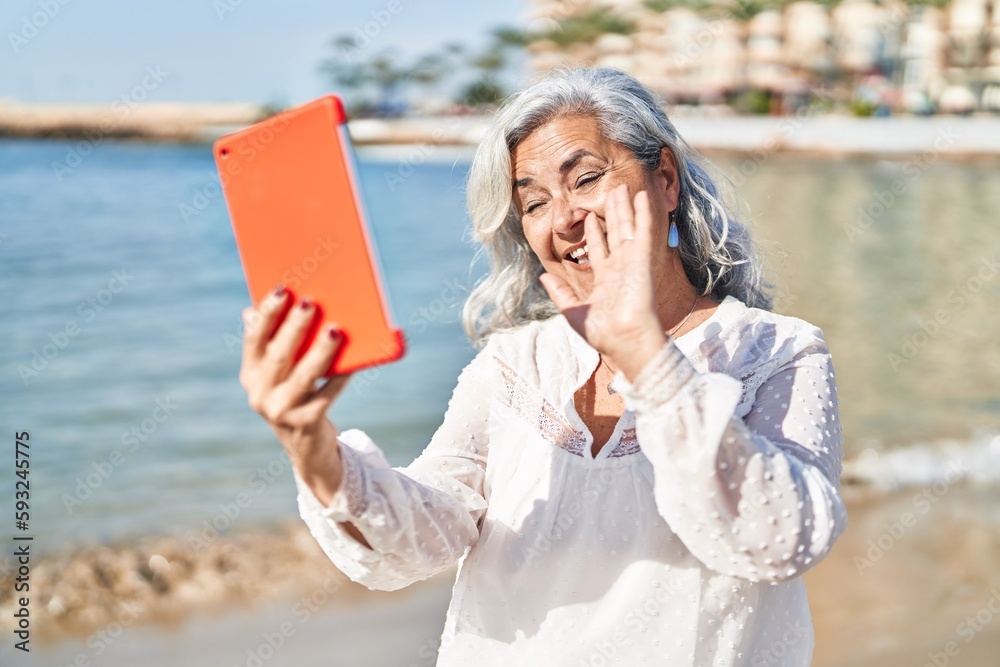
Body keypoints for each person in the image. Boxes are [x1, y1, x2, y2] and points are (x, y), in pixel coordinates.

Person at [238, 68, 846, 666]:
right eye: (533, 202)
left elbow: (779, 542)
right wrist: (311, 447)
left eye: (585, 179)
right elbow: (426, 536)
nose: (563, 220)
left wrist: (644, 355)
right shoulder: (515, 362)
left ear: (665, 179)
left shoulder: (776, 353)